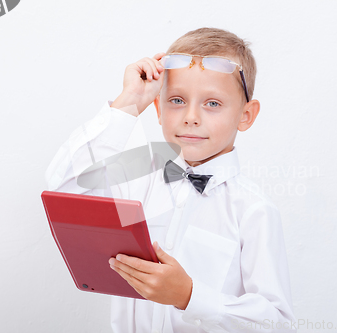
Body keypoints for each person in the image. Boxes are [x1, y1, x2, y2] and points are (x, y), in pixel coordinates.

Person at [45, 27, 297, 332]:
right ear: (158, 108)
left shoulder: (253, 210)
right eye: (177, 100)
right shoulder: (138, 171)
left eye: (212, 103)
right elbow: (64, 188)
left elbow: (277, 322)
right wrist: (128, 103)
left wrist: (190, 296)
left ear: (246, 115)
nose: (191, 116)